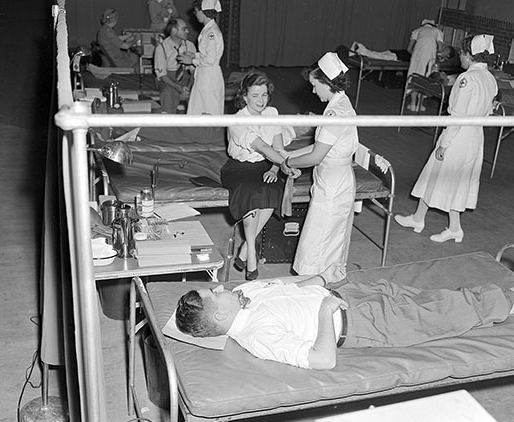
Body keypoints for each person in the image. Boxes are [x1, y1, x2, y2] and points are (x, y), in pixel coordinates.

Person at [175, 267, 514, 370]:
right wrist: (325, 312)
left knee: (440, 300)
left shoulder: (245, 291)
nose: (220, 286)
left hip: (356, 293)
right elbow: (322, 360)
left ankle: (499, 300)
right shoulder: (258, 335)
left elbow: (289, 289)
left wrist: (320, 281)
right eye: (213, 292)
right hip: (366, 323)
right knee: (450, 311)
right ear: (220, 314)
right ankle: (508, 302)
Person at [395, 34, 498, 243]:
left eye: (461, 53)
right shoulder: (490, 79)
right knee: (445, 177)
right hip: (475, 136)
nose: (459, 56)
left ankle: (451, 227)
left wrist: (444, 143)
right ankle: (422, 219)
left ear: (469, 55)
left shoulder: (467, 78)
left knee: (443, 176)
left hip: (459, 135)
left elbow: (458, 116)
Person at [280, 52, 358, 279]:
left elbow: (316, 156)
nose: (313, 91)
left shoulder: (336, 112)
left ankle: (317, 285)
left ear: (326, 83)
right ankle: (318, 282)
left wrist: (289, 162)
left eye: (315, 85)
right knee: (321, 237)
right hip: (331, 178)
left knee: (322, 240)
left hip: (334, 183)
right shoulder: (339, 103)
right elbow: (319, 146)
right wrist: (289, 155)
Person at [220, 72, 300, 281]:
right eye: (255, 96)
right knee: (252, 197)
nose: (261, 101)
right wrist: (283, 164)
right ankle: (251, 257)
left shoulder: (272, 112)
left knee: (273, 189)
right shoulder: (237, 120)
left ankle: (246, 246)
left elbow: (278, 147)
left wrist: (277, 168)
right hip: (239, 167)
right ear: (244, 96)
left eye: (264, 95)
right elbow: (262, 146)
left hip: (266, 164)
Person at [177, 0, 225, 115]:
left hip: (209, 77)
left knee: (209, 109)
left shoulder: (211, 33)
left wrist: (192, 60)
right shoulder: (208, 30)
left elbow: (210, 60)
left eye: (196, 11)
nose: (195, 14)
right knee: (199, 107)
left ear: (203, 11)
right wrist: (194, 55)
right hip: (204, 74)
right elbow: (207, 54)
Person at [154, 18, 196, 113]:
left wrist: (188, 88)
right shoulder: (161, 48)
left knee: (197, 90)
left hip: (187, 79)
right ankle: (169, 121)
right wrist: (179, 88)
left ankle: (195, 123)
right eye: (184, 29)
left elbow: (194, 71)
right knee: (168, 92)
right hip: (169, 80)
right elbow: (162, 76)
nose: (187, 31)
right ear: (174, 30)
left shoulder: (190, 46)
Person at [406, 19, 444, 111]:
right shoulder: (437, 31)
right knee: (426, 78)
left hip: (416, 57)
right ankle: (420, 104)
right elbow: (440, 48)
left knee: (414, 76)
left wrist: (416, 55)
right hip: (429, 58)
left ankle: (413, 103)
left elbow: (409, 49)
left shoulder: (417, 30)